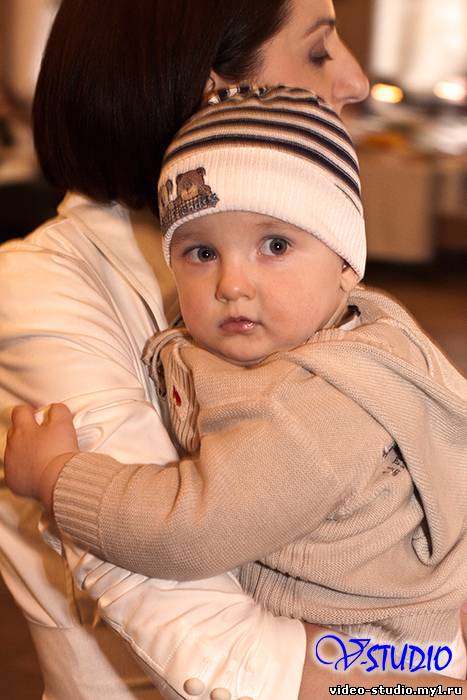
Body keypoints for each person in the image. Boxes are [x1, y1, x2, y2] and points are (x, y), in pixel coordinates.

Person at [6, 86, 467, 687]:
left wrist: (56, 476)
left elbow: (188, 530)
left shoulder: (315, 407)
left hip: (378, 660)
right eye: (201, 251)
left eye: (275, 246)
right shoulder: (304, 341)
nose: (232, 283)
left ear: (346, 263)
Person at [0, 1, 374, 699]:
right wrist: (434, 672)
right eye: (319, 51)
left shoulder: (306, 273)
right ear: (215, 93)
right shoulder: (39, 289)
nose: (354, 81)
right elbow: (225, 657)